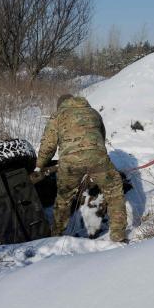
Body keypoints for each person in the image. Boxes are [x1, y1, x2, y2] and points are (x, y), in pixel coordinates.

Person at [36, 94, 128, 242]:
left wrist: (39, 165)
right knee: (115, 194)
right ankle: (119, 236)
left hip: (70, 165)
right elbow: (101, 137)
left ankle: (56, 236)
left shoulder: (57, 116)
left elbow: (48, 146)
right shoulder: (93, 113)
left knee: (63, 200)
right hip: (98, 160)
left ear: (60, 105)